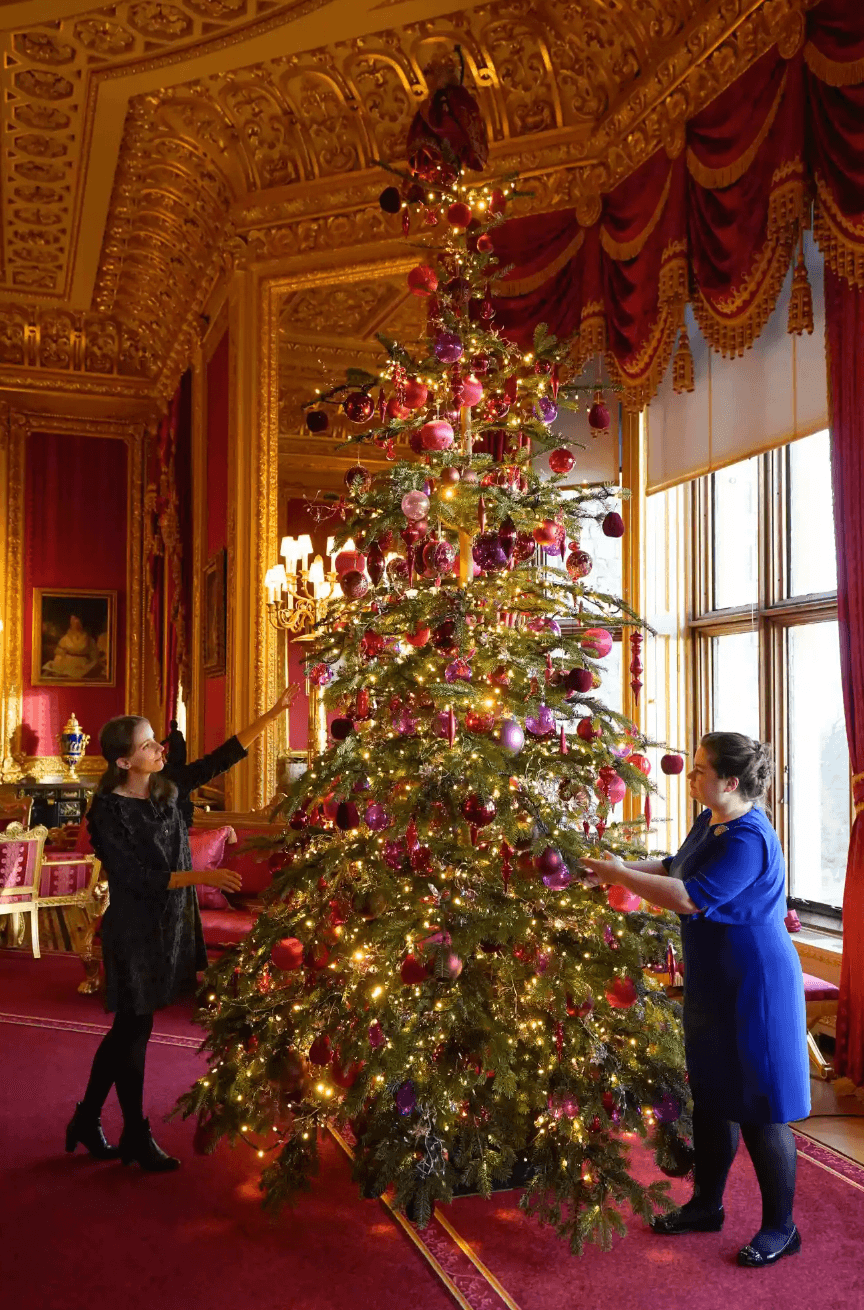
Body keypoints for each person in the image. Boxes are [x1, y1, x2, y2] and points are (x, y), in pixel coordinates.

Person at [580, 732, 809, 1269]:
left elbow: (689, 898)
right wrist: (624, 866)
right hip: (713, 977)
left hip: (757, 983)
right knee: (711, 1097)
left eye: (702, 769)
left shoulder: (747, 839)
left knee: (761, 1111)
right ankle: (707, 1205)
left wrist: (620, 876)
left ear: (731, 782)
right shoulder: (712, 820)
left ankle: (782, 1227)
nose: (692, 775)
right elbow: (677, 866)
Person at [65, 685, 298, 1173]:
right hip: (132, 928)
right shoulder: (108, 811)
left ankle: (88, 1120)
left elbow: (219, 760)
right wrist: (203, 877)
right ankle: (133, 1133)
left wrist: (271, 716)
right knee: (134, 1028)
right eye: (149, 744)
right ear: (125, 762)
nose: (159, 749)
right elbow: (136, 880)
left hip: (170, 925)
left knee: (131, 1027)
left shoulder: (168, 785)